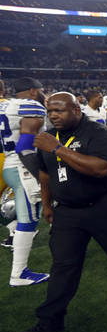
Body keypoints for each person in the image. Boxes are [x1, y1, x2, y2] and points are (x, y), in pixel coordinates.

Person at [15, 92, 107, 332]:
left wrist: (59, 150)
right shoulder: (49, 137)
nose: (53, 115)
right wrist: (48, 203)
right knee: (63, 266)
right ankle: (50, 323)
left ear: (76, 109)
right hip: (67, 211)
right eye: (50, 111)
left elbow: (100, 169)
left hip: (102, 206)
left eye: (59, 110)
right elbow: (44, 174)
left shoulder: (98, 132)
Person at [0, 77, 50, 286]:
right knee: (28, 220)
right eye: (41, 90)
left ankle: (20, 271)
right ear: (32, 91)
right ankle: (19, 273)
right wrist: (41, 177)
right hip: (23, 166)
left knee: (27, 217)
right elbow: (25, 147)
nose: (43, 93)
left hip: (9, 164)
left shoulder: (5, 105)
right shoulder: (30, 106)